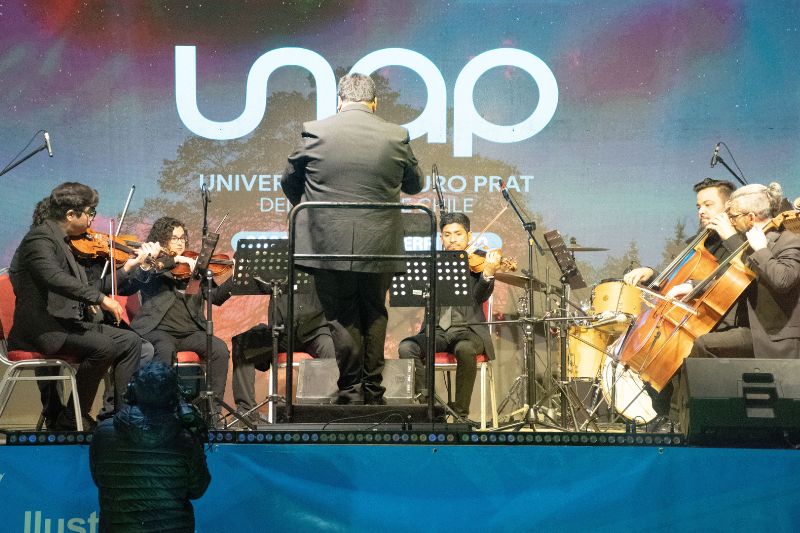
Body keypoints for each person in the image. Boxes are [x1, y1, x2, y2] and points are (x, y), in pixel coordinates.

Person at [281, 73, 424, 405]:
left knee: (341, 316)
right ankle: (373, 390)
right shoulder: (396, 135)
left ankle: (350, 390)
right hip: (380, 244)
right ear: (374, 103)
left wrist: (313, 211)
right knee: (374, 312)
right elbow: (415, 184)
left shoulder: (315, 131)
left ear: (339, 102)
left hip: (328, 243)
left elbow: (289, 181)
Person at [8, 183, 146, 430]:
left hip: (63, 324)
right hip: (42, 330)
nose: (93, 219)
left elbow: (86, 285)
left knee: (130, 341)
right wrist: (99, 299)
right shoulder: (39, 238)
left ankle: (123, 420)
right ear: (71, 214)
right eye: (90, 212)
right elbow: (53, 277)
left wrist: (116, 278)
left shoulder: (62, 240)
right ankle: (71, 417)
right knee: (103, 347)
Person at [622, 178, 739, 429]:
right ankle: (664, 416)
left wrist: (695, 284)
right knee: (651, 351)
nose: (701, 211)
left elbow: (734, 276)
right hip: (690, 314)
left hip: (720, 318)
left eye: (708, 204)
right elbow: (675, 280)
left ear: (729, 205)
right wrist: (651, 274)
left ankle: (675, 420)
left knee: (675, 352)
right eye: (698, 206)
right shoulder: (698, 242)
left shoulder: (736, 241)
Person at [398, 213, 501, 419]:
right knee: (406, 347)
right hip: (435, 331)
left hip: (468, 331)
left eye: (458, 234)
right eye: (447, 235)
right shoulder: (431, 263)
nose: (452, 239)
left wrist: (487, 274)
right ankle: (430, 410)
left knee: (465, 349)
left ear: (469, 235)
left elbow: (479, 298)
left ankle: (461, 416)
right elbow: (415, 291)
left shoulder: (478, 263)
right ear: (441, 238)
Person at [127, 216, 233, 415]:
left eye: (182, 238)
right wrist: (175, 260)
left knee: (219, 349)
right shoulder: (152, 262)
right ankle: (160, 413)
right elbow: (144, 275)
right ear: (161, 241)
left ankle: (213, 413)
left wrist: (235, 277)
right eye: (174, 238)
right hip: (158, 331)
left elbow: (216, 297)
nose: (180, 242)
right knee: (164, 349)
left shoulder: (194, 266)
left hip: (190, 332)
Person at [90, 361, 211, 533]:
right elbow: (197, 490)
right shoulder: (185, 438)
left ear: (131, 393)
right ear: (173, 399)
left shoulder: (103, 432)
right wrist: (197, 439)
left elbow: (100, 480)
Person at [231, 274, 334, 425]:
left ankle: (331, 412)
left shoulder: (316, 264)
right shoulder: (276, 267)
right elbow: (262, 285)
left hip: (315, 331)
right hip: (281, 333)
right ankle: (246, 411)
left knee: (333, 348)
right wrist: (244, 273)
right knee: (242, 343)